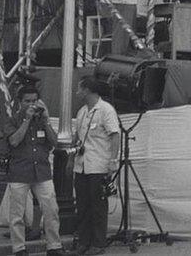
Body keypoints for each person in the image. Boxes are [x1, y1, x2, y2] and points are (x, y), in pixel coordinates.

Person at [6, 86, 66, 256]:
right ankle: (19, 248)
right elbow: (14, 141)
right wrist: (26, 119)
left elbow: (55, 142)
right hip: (19, 171)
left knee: (51, 209)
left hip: (42, 171)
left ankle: (54, 246)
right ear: (20, 102)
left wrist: (46, 120)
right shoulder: (12, 119)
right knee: (17, 214)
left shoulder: (42, 120)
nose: (31, 104)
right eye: (27, 101)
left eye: (34, 101)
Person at [73, 77, 120, 256]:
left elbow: (114, 135)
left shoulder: (106, 110)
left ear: (87, 90)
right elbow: (78, 136)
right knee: (83, 205)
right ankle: (83, 242)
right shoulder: (82, 111)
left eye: (79, 89)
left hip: (99, 165)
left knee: (98, 206)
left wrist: (113, 161)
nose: (77, 92)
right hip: (82, 165)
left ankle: (98, 243)